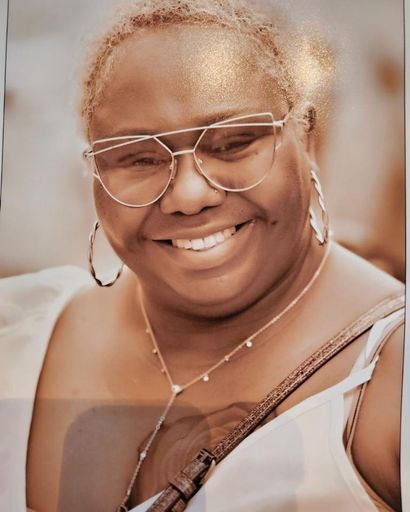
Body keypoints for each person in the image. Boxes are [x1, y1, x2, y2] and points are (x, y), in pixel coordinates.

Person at [0, 1, 405, 511]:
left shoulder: (389, 376)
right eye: (139, 158)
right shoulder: (17, 334)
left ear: (305, 136)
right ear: (95, 173)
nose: (189, 195)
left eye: (233, 145)